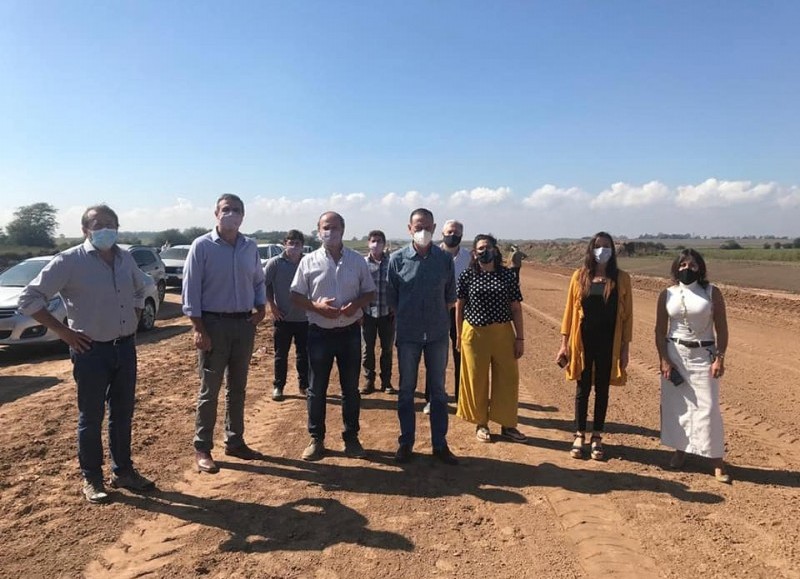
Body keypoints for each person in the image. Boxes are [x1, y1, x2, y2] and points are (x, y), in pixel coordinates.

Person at [18, 204, 155, 503]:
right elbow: (29, 298)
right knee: (90, 418)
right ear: (85, 229)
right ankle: (92, 478)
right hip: (90, 351)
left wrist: (134, 312)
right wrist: (64, 332)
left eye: (110, 223)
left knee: (122, 415)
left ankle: (124, 472)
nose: (105, 228)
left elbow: (142, 285)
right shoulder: (69, 261)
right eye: (98, 223)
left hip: (125, 347)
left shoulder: (125, 258)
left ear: (118, 228)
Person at [183, 194, 267, 474]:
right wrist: (198, 328)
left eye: (237, 210)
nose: (232, 214)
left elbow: (258, 280)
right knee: (210, 389)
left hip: (243, 325)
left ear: (243, 215)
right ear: (215, 213)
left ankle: (235, 440)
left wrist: (260, 307)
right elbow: (191, 290)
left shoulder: (249, 246)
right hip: (213, 326)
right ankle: (202, 447)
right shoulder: (202, 246)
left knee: (238, 388)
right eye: (226, 209)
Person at [291, 211, 376, 461]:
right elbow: (295, 296)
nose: (331, 231)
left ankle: (351, 438)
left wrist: (356, 305)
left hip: (349, 332)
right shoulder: (308, 261)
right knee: (317, 389)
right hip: (319, 334)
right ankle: (316, 439)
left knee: (351, 389)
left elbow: (369, 292)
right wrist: (317, 307)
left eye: (335, 227)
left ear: (343, 229)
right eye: (326, 227)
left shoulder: (357, 261)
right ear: (318, 231)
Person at [387, 208, 459, 465]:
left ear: (434, 227)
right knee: (406, 389)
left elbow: (451, 297)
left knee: (438, 391)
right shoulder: (396, 260)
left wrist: (433, 317)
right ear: (409, 228)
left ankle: (440, 444)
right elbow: (392, 299)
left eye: (427, 227)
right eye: (418, 227)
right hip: (408, 335)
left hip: (438, 334)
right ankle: (406, 442)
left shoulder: (444, 260)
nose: (423, 232)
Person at [655, 249, 730, 483]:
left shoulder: (711, 293)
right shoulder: (667, 294)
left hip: (703, 355)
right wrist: (664, 359)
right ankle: (681, 450)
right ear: (676, 268)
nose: (688, 268)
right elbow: (659, 330)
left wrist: (720, 357)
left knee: (707, 408)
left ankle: (716, 460)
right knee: (678, 408)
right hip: (676, 354)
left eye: (693, 265)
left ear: (701, 268)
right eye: (683, 264)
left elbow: (722, 328)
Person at [556, 232, 632, 461]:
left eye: (607, 246)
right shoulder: (579, 276)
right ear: (591, 249)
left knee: (603, 389)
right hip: (583, 341)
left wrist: (624, 348)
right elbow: (569, 312)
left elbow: (627, 316)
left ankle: (597, 435)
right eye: (598, 246)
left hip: (609, 342)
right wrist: (564, 345)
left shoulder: (621, 278)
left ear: (613, 250)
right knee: (583, 388)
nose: (602, 250)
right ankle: (579, 433)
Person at [456, 234, 527, 443]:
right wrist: (459, 335)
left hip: (503, 333)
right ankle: (481, 424)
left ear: (495, 250)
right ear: (474, 252)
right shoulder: (467, 275)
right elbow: (459, 306)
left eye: (487, 247)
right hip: (475, 334)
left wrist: (520, 337)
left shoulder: (507, 276)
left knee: (508, 378)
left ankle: (508, 424)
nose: (483, 251)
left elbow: (516, 307)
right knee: (477, 379)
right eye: (479, 248)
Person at [424, 218, 471, 412]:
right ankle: (432, 398)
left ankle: (462, 397)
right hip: (438, 311)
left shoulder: (469, 258)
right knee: (436, 357)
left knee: (461, 353)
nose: (453, 235)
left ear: (462, 235)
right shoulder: (431, 255)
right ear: (442, 233)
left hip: (462, 313)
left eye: (457, 232)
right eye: (449, 232)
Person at [264, 230, 309, 402]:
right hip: (282, 318)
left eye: (297, 242)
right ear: (284, 243)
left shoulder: (308, 262)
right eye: (291, 242)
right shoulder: (275, 263)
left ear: (302, 245)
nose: (294, 246)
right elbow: (265, 284)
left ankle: (304, 385)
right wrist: (272, 306)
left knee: (303, 354)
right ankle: (278, 386)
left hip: (304, 318)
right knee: (280, 355)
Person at [360, 229, 395, 395]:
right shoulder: (362, 264)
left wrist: (395, 308)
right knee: (368, 349)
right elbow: (357, 288)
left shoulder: (392, 263)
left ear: (384, 243)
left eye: (380, 241)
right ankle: (369, 381)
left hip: (387, 313)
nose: (376, 244)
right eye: (373, 240)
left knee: (387, 349)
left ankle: (386, 381)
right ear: (368, 243)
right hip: (368, 313)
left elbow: (397, 287)